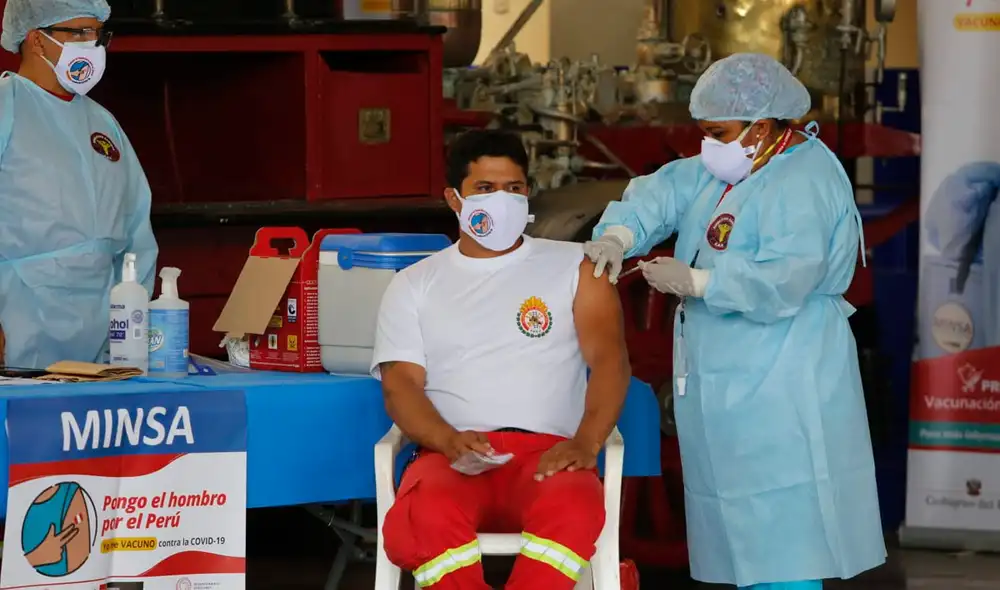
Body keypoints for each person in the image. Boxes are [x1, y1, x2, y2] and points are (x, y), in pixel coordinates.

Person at [585, 53, 886, 590]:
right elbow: (662, 193)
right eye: (704, 133)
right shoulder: (728, 165)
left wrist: (701, 282)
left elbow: (789, 274)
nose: (709, 145)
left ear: (763, 125)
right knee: (740, 528)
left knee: (787, 534)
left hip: (787, 375)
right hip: (726, 383)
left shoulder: (805, 179)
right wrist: (619, 236)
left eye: (718, 132)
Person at [371, 129, 630, 590]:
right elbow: (400, 385)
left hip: (552, 453)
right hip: (452, 454)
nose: (502, 201)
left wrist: (587, 443)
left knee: (573, 509)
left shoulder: (577, 266)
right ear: (454, 199)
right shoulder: (414, 284)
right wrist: (447, 439)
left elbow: (610, 360)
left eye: (514, 188)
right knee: (423, 515)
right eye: (485, 189)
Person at [0, 0, 157, 368]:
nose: (93, 45)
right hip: (19, 323)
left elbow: (137, 234)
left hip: (101, 340)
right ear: (37, 41)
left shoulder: (103, 124)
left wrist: (134, 326)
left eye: (98, 34)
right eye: (79, 33)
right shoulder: (7, 108)